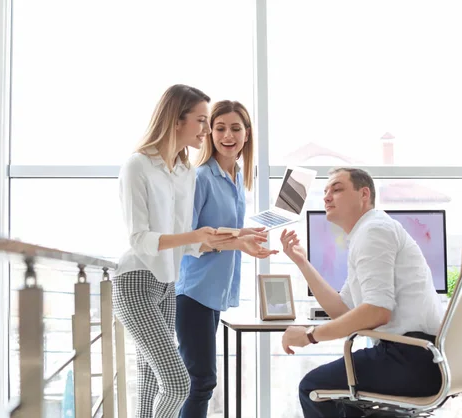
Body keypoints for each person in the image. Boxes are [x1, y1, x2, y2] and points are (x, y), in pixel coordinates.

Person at [113, 84, 238, 418]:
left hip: (168, 283)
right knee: (178, 383)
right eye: (201, 120)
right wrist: (192, 236)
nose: (207, 130)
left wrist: (237, 239)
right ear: (176, 120)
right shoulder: (137, 166)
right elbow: (140, 238)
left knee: (151, 379)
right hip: (136, 280)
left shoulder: (184, 172)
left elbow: (192, 242)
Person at [279, 167, 444, 418]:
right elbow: (342, 310)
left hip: (411, 358)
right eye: (325, 192)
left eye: (337, 189)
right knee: (337, 396)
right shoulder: (368, 232)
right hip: (420, 357)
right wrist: (302, 262)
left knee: (313, 388)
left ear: (363, 194)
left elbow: (377, 312)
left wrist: (311, 336)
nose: (326, 197)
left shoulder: (373, 231)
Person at [175, 100, 279, 418]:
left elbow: (222, 232)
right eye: (219, 128)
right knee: (200, 382)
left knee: (200, 381)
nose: (227, 135)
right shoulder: (201, 178)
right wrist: (238, 243)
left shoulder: (234, 178)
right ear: (208, 133)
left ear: (246, 135)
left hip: (212, 296)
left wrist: (243, 235)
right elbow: (186, 243)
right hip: (192, 293)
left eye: (235, 128)